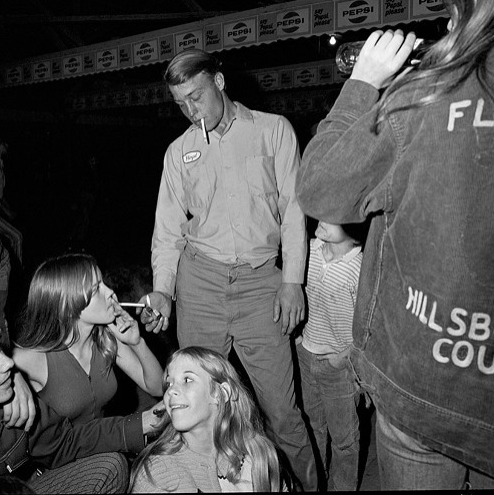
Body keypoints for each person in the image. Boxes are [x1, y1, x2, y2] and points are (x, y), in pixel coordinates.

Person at [295, 0, 494, 489]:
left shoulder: (422, 97)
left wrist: (364, 82)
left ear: (464, 9)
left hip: (422, 384)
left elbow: (321, 188)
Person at [139, 49, 316, 490]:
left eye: (196, 96)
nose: (190, 110)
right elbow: (168, 230)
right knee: (194, 410)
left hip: (261, 283)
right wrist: (163, 290)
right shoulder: (179, 152)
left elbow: (295, 210)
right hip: (200, 283)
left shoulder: (274, 131)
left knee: (282, 411)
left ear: (219, 81)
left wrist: (292, 281)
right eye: (180, 103)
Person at [0, 315, 168, 493]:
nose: (8, 363)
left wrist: (140, 423)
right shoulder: (36, 360)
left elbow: (66, 442)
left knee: (112, 466)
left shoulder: (13, 405)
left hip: (23, 485)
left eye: (0, 350)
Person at [12, 253, 165, 429]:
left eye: (104, 284)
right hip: (58, 454)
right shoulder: (38, 357)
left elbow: (157, 388)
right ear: (66, 305)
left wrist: (137, 343)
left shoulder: (107, 338)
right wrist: (12, 374)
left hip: (102, 443)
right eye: (96, 290)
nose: (110, 292)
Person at [129, 347, 291, 493]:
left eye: (187, 380)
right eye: (169, 383)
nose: (171, 391)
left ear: (221, 393)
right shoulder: (159, 474)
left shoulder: (259, 455)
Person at [297, 220, 365, 492]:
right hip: (306, 355)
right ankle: (317, 484)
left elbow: (369, 327)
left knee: (344, 440)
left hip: (340, 367)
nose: (320, 218)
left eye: (330, 215)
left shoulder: (359, 269)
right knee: (313, 429)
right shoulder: (310, 250)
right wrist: (300, 336)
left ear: (354, 225)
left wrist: (346, 357)